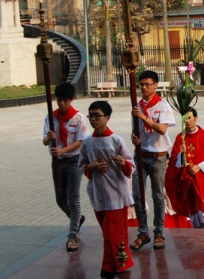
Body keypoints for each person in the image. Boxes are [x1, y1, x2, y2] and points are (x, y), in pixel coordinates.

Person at [78, 101, 135, 279]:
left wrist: (122, 163)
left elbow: (130, 166)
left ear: (107, 118)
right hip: (98, 193)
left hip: (116, 195)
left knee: (113, 235)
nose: (93, 119)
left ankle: (109, 267)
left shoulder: (116, 140)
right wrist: (91, 166)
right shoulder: (87, 142)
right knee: (108, 233)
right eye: (91, 116)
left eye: (97, 115)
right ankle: (120, 263)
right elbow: (82, 166)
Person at [130, 70, 176, 251]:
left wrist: (144, 117)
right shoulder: (137, 105)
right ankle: (143, 232)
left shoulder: (162, 106)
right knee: (137, 194)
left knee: (158, 195)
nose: (144, 88)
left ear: (156, 85)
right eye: (141, 84)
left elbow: (162, 129)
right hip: (141, 155)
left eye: (148, 84)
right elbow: (135, 129)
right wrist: (134, 138)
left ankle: (158, 232)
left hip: (158, 157)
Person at [41, 82, 89, 252]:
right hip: (57, 163)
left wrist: (62, 150)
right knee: (60, 199)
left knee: (73, 198)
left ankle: (72, 236)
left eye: (65, 101)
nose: (62, 104)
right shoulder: (50, 117)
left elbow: (81, 141)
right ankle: (76, 220)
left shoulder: (78, 118)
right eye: (59, 100)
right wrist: (49, 137)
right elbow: (44, 141)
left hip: (73, 162)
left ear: (71, 100)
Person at [165, 108, 204, 229]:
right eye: (185, 119)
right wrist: (181, 155)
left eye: (189, 118)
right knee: (195, 221)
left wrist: (200, 166)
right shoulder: (180, 138)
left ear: (196, 118)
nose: (187, 121)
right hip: (189, 185)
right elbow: (173, 162)